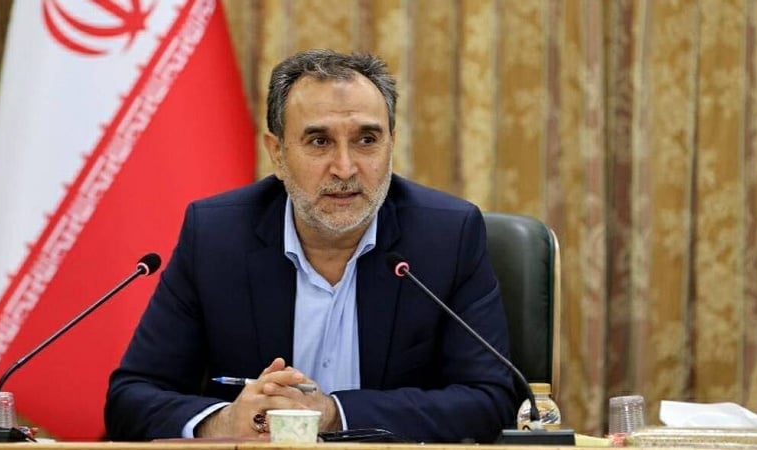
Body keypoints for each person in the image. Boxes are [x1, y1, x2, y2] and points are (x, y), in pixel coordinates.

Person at [104, 48, 517, 443]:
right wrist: (223, 421)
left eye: (366, 140)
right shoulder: (216, 237)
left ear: (391, 144)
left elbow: (490, 399)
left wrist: (335, 413)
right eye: (319, 141)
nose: (345, 168)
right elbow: (131, 398)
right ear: (278, 154)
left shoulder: (446, 237)